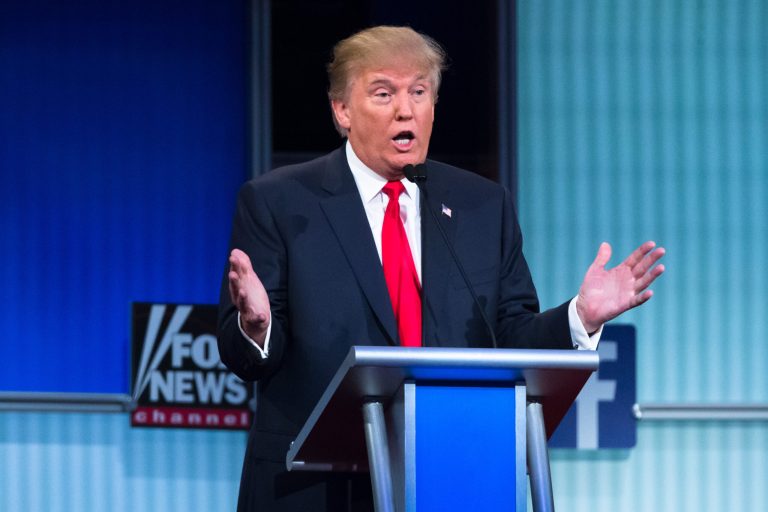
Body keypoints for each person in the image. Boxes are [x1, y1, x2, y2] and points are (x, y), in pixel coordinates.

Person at [218, 26, 664, 512]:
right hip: (311, 488)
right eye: (383, 93)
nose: (405, 110)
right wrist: (256, 327)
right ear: (342, 110)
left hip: (453, 476)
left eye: (419, 92)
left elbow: (510, 338)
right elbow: (247, 357)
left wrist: (580, 318)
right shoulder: (280, 202)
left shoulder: (482, 206)